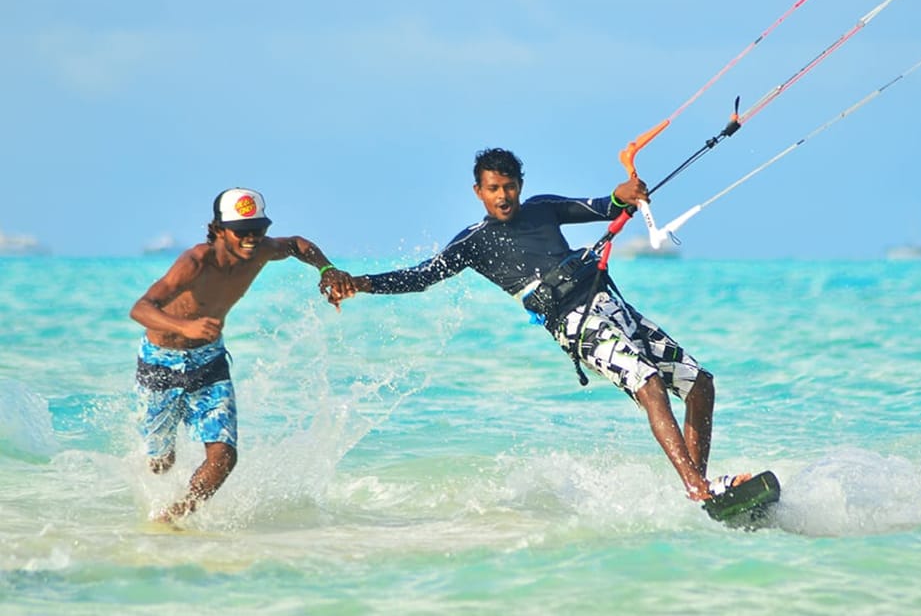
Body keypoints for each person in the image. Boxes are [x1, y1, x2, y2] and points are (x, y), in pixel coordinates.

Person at [330, 148, 749, 501]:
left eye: (509, 186)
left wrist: (625, 194)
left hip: (609, 303)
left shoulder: (543, 209)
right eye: (493, 189)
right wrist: (361, 283)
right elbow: (421, 277)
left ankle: (699, 486)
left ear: (520, 185)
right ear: (478, 192)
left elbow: (606, 206)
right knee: (650, 385)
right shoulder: (473, 242)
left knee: (700, 384)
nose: (503, 196)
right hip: (574, 322)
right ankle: (697, 488)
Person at [130, 187, 352, 522]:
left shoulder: (263, 250)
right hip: (160, 362)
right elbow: (141, 308)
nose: (252, 239)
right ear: (219, 229)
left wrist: (326, 270)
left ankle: (175, 517)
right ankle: (154, 482)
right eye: (242, 232)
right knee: (162, 462)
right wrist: (185, 327)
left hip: (209, 362)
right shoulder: (195, 262)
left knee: (224, 457)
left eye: (259, 230)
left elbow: (296, 245)